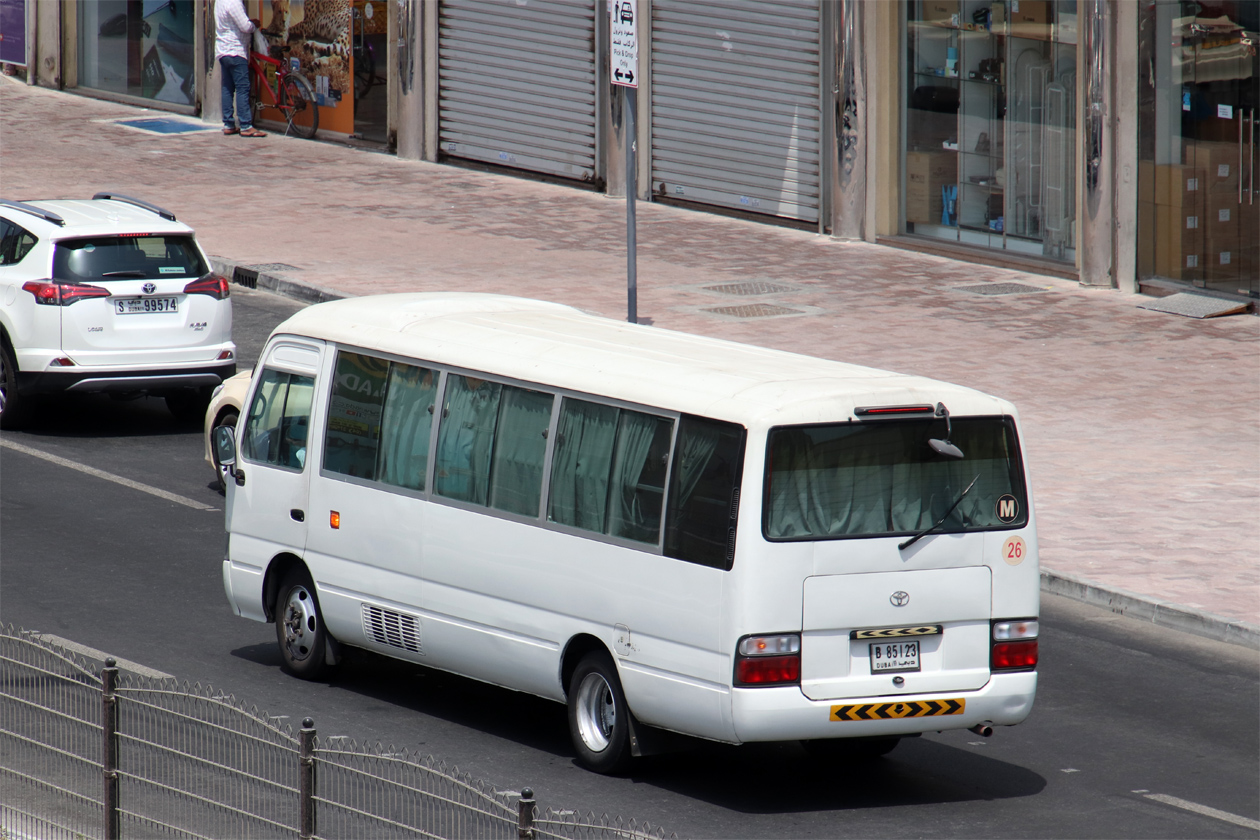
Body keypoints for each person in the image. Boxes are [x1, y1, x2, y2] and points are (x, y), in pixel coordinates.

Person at [215, 0, 266, 137]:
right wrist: (254, 24)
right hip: (235, 51)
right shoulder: (234, 3)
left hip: (223, 50)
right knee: (242, 88)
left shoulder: (219, 2)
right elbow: (245, 26)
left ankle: (228, 124)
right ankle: (245, 125)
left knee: (227, 88)